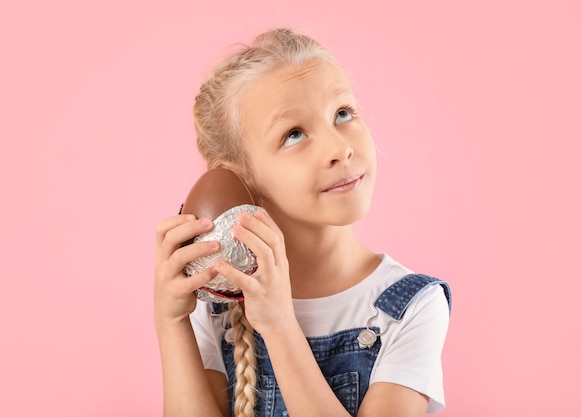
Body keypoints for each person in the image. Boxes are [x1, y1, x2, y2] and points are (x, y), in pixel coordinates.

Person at [154, 28, 452, 417]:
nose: (339, 148)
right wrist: (170, 321)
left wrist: (280, 327)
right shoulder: (215, 308)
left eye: (342, 113)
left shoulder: (410, 307)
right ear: (237, 179)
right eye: (294, 134)